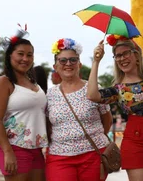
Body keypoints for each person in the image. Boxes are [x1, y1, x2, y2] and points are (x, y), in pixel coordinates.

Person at [87, 35, 143, 181]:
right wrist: (96, 61)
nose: (121, 58)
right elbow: (92, 95)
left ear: (136, 54)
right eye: (117, 56)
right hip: (135, 144)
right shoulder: (118, 89)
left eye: (125, 53)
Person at [45, 38, 113, 181]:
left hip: (93, 155)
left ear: (79, 64)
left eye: (73, 60)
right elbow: (48, 126)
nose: (68, 64)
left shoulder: (94, 88)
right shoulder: (49, 95)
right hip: (60, 157)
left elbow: (107, 120)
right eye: (62, 61)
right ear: (55, 66)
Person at [0, 28, 48, 181]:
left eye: (29, 55)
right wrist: (7, 151)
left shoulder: (33, 83)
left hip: (35, 148)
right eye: (20, 54)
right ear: (10, 56)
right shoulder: (3, 82)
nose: (25, 59)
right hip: (13, 146)